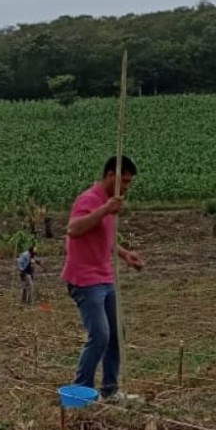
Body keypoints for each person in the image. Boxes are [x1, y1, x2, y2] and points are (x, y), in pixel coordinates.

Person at [62, 156, 144, 402]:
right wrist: (104, 209)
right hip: (85, 281)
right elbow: (73, 229)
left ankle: (110, 390)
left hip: (104, 277)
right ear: (111, 176)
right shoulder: (89, 200)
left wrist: (124, 254)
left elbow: (103, 237)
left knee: (117, 333)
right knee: (100, 335)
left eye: (129, 182)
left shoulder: (110, 204)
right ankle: (81, 392)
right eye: (124, 181)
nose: (127, 187)